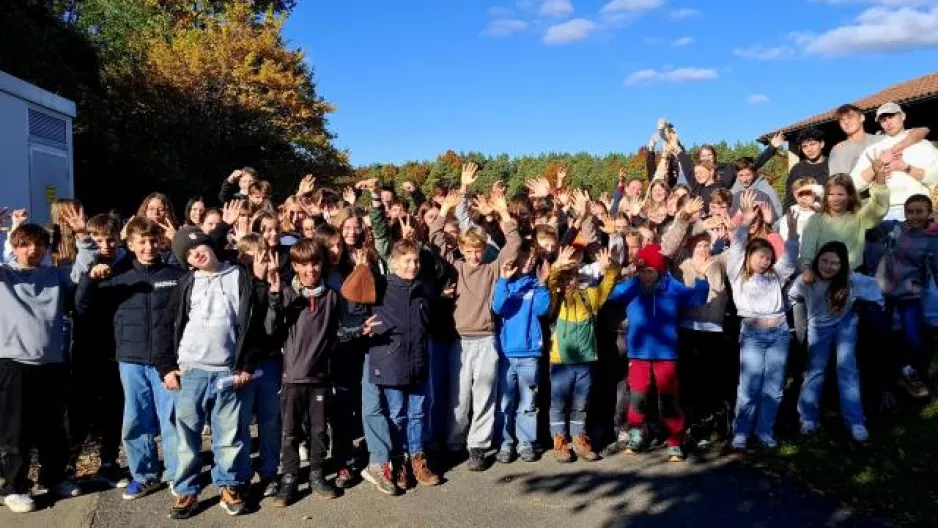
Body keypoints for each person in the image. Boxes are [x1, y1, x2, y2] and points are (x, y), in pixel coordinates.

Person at [157, 226, 275, 518]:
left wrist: (247, 365)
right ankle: (186, 490)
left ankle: (230, 485)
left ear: (210, 246)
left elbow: (255, 327)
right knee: (187, 436)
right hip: (190, 371)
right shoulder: (185, 284)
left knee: (230, 435)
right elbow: (166, 327)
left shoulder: (241, 278)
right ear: (187, 262)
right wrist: (167, 368)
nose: (196, 253)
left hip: (228, 372)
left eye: (199, 246)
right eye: (188, 253)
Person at [75, 217, 185, 500]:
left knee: (171, 419)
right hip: (130, 359)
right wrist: (89, 278)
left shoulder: (175, 275)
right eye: (142, 242)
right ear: (131, 244)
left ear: (161, 242)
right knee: (136, 420)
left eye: (152, 241)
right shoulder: (116, 274)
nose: (148, 247)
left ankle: (176, 474)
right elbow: (83, 307)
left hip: (167, 362)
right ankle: (144, 475)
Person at [428, 163, 521, 472]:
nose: (473, 255)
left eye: (478, 250)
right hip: (460, 341)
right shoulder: (455, 267)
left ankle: (478, 446)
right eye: (468, 250)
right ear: (463, 249)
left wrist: (505, 215)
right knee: (459, 395)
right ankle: (455, 441)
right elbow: (436, 237)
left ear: (483, 250)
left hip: (486, 339)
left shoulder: (493, 269)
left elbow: (515, 245)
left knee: (484, 394)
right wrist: (451, 202)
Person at [0, 220, 86, 513]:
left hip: (52, 364)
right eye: (25, 245)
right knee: (17, 431)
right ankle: (14, 487)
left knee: (53, 429)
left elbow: (80, 271)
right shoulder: (5, 276)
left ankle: (54, 477)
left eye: (39, 245)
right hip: (14, 365)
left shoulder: (54, 275)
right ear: (14, 248)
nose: (32, 250)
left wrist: (83, 236)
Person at [607, 243, 709, 461]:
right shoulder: (633, 286)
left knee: (668, 398)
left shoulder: (671, 287)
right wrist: (615, 271)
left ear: (660, 270)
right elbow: (612, 295)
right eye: (641, 271)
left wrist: (701, 277)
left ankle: (675, 441)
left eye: (649, 271)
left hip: (666, 353)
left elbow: (696, 298)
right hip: (638, 352)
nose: (645, 276)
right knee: (638, 395)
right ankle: (636, 433)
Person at [361, 240, 443, 492]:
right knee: (397, 413)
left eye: (416, 260)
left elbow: (429, 317)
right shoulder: (382, 286)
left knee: (418, 411)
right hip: (392, 361)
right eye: (406, 260)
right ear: (394, 263)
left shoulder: (424, 287)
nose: (412, 265)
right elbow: (356, 295)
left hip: (417, 358)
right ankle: (399, 459)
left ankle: (418, 457)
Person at [727, 192, 800, 449]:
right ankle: (741, 432)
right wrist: (745, 222)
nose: (765, 260)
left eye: (768, 257)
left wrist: (792, 233)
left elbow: (790, 259)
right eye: (760, 256)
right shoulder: (738, 274)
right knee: (749, 386)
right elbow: (736, 247)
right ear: (749, 257)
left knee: (774, 387)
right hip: (753, 336)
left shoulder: (774, 276)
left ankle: (765, 430)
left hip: (779, 333)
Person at [789, 241, 882, 442]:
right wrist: (800, 327)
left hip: (845, 325)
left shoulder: (851, 279)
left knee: (847, 369)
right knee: (815, 370)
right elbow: (792, 296)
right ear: (817, 260)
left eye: (835, 263)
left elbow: (878, 288)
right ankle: (808, 418)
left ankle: (855, 420)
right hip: (817, 327)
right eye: (824, 260)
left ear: (842, 265)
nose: (828, 266)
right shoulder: (806, 279)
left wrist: (862, 305)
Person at [546, 245, 619, 463]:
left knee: (581, 404)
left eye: (572, 277)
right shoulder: (555, 299)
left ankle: (579, 438)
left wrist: (610, 268)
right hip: (561, 361)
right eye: (564, 279)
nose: (568, 282)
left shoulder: (590, 296)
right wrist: (557, 267)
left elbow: (609, 283)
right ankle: (559, 440)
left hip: (586, 360)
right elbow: (550, 282)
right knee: (558, 404)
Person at [874, 195, 938, 399]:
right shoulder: (896, 227)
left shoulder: (933, 240)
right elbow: (870, 222)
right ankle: (894, 379)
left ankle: (915, 374)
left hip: (910, 293)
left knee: (913, 337)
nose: (914, 216)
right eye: (910, 211)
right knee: (885, 335)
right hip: (883, 289)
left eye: (920, 211)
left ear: (930, 213)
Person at [492, 248, 550, 463]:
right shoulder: (507, 284)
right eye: (526, 257)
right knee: (505, 402)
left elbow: (542, 310)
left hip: (530, 353)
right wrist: (503, 282)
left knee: (528, 403)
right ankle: (505, 444)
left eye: (532, 259)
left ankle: (526, 443)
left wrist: (543, 283)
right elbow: (498, 307)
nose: (529, 262)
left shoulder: (536, 285)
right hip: (507, 353)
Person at [851, 102, 938, 221]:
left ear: (903, 116)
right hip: (883, 213)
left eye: (891, 116)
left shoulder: (923, 145)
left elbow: (935, 179)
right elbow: (854, 184)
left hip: (918, 212)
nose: (888, 122)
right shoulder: (873, 149)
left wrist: (905, 167)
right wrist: (877, 165)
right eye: (883, 119)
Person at [828, 104, 929, 176]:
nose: (846, 122)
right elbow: (838, 182)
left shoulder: (881, 140)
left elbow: (923, 130)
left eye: (850, 117)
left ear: (862, 118)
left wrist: (901, 145)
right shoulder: (838, 150)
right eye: (842, 120)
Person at [783, 128, 830, 210]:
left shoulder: (832, 164)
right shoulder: (797, 169)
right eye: (804, 146)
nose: (809, 149)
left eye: (812, 144)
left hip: (826, 214)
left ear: (822, 144)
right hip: (802, 215)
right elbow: (789, 198)